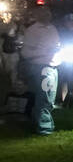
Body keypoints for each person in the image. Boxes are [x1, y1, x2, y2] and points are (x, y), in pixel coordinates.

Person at [19, 7, 61, 135]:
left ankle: (39, 121)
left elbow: (58, 46)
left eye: (48, 13)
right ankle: (44, 127)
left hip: (52, 67)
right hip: (42, 67)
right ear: (37, 15)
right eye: (44, 13)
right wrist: (45, 52)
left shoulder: (52, 29)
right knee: (45, 98)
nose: (47, 15)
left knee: (48, 98)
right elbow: (25, 52)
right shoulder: (32, 31)